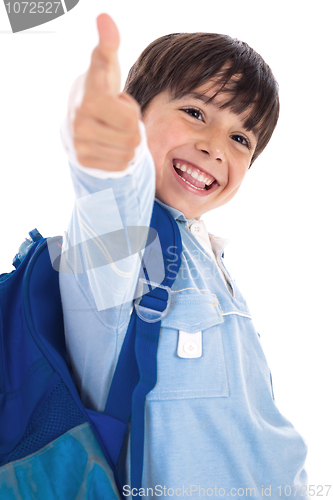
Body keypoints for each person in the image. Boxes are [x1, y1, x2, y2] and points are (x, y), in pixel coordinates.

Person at [60, 13, 308, 498]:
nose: (215, 146)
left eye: (241, 139)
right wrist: (104, 145)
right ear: (134, 114)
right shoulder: (119, 247)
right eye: (196, 112)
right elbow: (107, 197)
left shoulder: (212, 261)